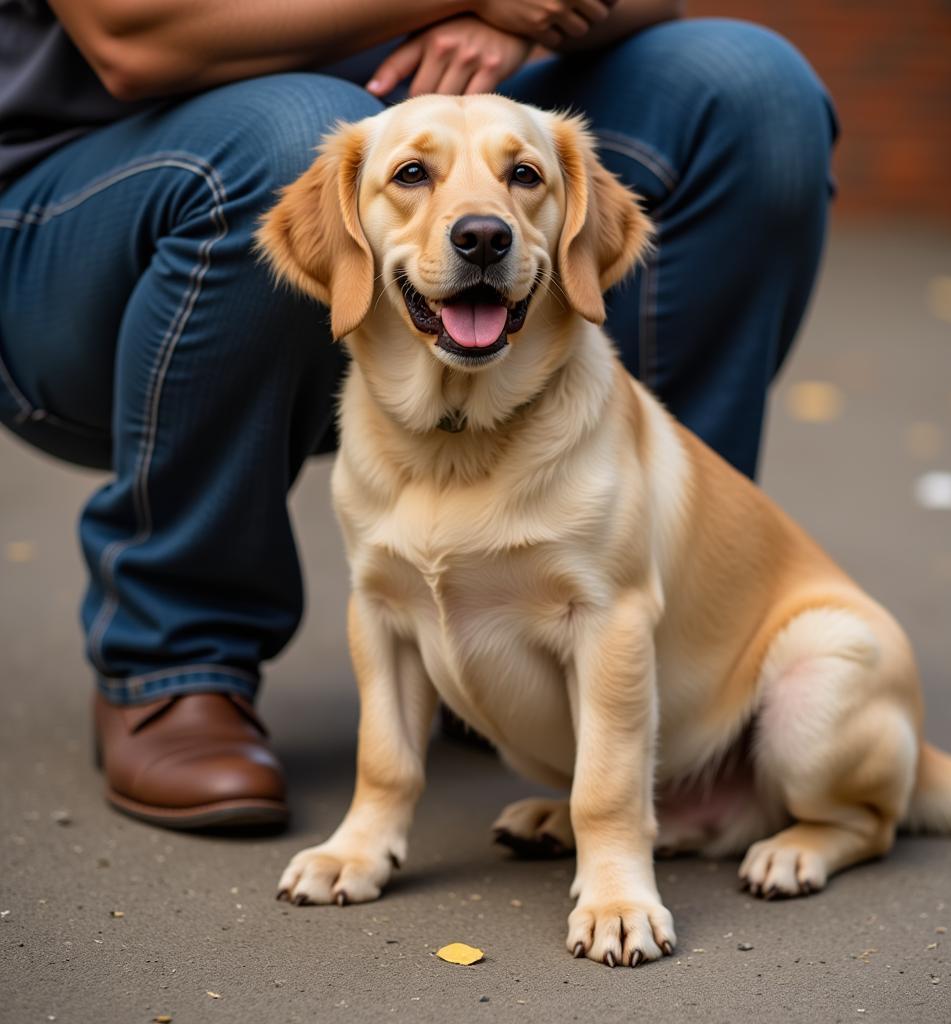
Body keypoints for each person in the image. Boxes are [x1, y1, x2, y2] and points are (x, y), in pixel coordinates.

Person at [0, 0, 837, 830]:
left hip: (466, 95)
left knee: (750, 91)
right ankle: (174, 656)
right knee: (307, 129)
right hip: (96, 186)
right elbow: (130, 34)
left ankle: (623, 651)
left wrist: (517, 23)